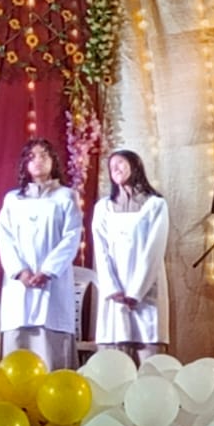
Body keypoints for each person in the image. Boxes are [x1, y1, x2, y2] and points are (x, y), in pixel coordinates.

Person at [0, 138, 84, 370]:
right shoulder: (13, 199)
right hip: (19, 287)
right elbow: (4, 237)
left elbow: (71, 236)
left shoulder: (66, 196)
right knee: (18, 360)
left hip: (52, 286)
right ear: (25, 164)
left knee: (51, 355)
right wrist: (20, 271)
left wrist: (47, 271)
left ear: (53, 161)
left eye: (44, 155)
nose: (38, 161)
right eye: (32, 156)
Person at [91, 148, 170, 360]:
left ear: (135, 166)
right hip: (115, 293)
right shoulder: (103, 208)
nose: (115, 168)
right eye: (111, 166)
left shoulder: (155, 205)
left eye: (120, 163)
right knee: (114, 357)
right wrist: (113, 289)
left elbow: (154, 250)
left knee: (149, 356)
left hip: (146, 291)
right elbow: (101, 251)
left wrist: (136, 292)